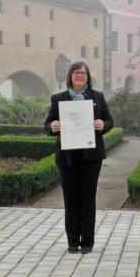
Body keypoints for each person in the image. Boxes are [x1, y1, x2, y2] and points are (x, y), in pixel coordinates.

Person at [45, 62, 114, 254]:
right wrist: (52, 127)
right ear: (71, 76)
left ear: (88, 76)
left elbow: (110, 121)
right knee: (70, 199)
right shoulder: (59, 98)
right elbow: (48, 123)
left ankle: (88, 242)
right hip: (67, 157)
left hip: (91, 157)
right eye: (76, 73)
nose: (80, 76)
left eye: (83, 73)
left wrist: (103, 125)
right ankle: (73, 241)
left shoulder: (97, 97)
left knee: (87, 198)